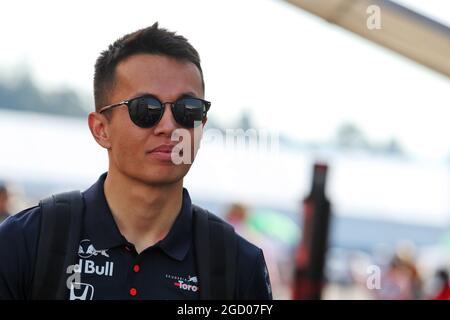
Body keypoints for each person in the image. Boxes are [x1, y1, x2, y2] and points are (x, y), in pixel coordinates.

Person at [0, 23, 272, 300]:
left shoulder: (238, 264)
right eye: (146, 109)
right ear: (101, 129)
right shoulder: (26, 241)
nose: (169, 126)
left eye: (187, 110)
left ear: (202, 125)